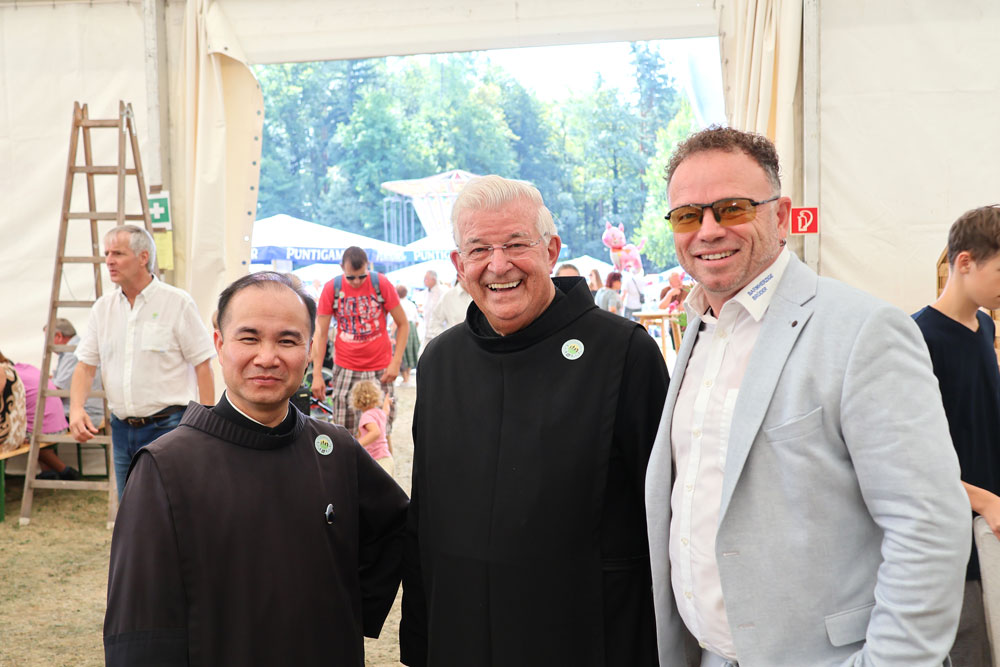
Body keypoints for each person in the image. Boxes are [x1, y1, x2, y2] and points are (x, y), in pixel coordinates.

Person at [644, 126, 969, 666]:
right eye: (687, 215)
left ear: (782, 215)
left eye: (732, 208)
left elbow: (929, 527)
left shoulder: (863, 330)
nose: (707, 230)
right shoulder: (700, 331)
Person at [400, 175, 669, 666]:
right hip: (463, 634)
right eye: (479, 250)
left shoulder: (624, 353)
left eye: (516, 244)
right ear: (460, 266)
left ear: (550, 250)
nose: (498, 265)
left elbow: (665, 517)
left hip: (588, 635)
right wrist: (419, 641)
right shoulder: (441, 362)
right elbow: (427, 516)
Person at [103, 271, 408, 666]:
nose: (268, 357)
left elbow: (396, 528)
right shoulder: (167, 466)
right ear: (219, 344)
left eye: (287, 340)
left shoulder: (335, 451)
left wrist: (345, 611)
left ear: (310, 349)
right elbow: (139, 622)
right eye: (249, 338)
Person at [68, 225, 215, 500]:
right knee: (131, 510)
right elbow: (85, 366)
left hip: (169, 426)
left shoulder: (177, 302)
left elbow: (203, 364)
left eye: (118, 253)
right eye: (107, 253)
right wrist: (76, 409)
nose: (109, 260)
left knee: (171, 506)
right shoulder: (103, 308)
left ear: (143, 257)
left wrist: (206, 422)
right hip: (121, 428)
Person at [913, 205, 1000, 667]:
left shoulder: (985, 326)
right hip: (953, 541)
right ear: (964, 262)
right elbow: (911, 461)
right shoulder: (916, 338)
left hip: (990, 528)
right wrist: (982, 500)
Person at [309, 246, 408, 436]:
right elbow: (321, 333)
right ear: (341, 268)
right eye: (351, 277)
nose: (356, 281)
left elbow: (403, 324)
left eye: (361, 276)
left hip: (380, 367)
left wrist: (396, 363)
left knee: (382, 429)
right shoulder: (332, 288)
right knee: (344, 431)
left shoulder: (381, 283)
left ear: (368, 266)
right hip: (346, 366)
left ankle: (383, 466)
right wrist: (317, 374)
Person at [15, 361, 80, 480]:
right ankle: (49, 472)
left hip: (44, 429)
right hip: (60, 424)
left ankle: (66, 471)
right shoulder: (27, 367)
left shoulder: (8, 377)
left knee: (14, 439)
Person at [49, 318, 104, 426]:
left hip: (85, 412)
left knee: (36, 420)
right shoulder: (79, 346)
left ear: (59, 336)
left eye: (47, 338)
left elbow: (58, 389)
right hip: (91, 409)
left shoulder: (71, 352)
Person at [349, 379, 394, 475]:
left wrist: (357, 444)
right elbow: (386, 411)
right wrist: (386, 402)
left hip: (377, 460)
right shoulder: (379, 412)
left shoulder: (367, 416)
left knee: (377, 488)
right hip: (387, 459)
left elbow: (375, 432)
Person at [394, 284, 421, 384]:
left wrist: (392, 333)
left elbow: (395, 322)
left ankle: (405, 378)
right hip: (412, 328)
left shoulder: (397, 304)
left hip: (401, 328)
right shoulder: (411, 304)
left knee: (402, 353)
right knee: (410, 353)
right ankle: (407, 377)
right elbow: (417, 321)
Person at [421, 270, 447, 342]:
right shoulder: (426, 292)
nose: (424, 281)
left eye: (426, 278)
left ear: (433, 279)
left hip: (439, 331)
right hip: (427, 331)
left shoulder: (443, 291)